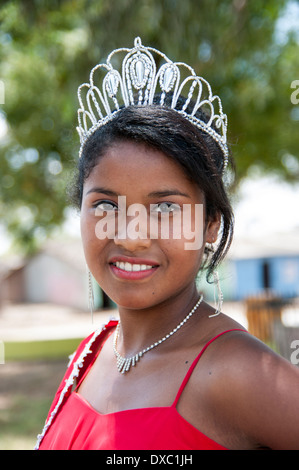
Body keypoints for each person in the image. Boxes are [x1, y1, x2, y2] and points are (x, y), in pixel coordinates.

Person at [36, 38, 299, 450]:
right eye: (105, 204)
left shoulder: (240, 374)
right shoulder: (89, 354)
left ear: (211, 223)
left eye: (164, 209)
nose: (130, 235)